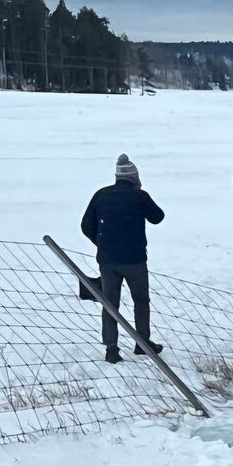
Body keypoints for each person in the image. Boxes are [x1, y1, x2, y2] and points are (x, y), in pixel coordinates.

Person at [80, 154, 166, 363]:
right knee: (141, 301)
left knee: (110, 303)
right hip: (135, 260)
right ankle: (142, 343)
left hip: (108, 261)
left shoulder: (101, 196)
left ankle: (111, 348)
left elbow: (85, 225)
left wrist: (102, 243)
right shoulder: (139, 196)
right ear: (134, 177)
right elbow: (158, 217)